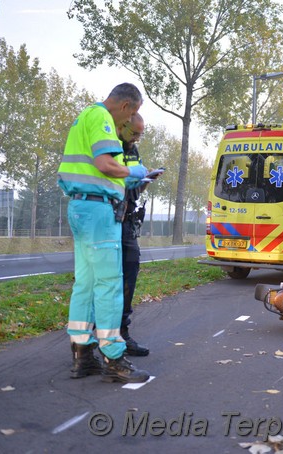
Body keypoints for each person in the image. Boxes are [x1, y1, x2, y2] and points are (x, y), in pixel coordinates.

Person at [57, 83, 150, 384]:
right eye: (133, 113)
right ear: (126, 107)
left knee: (85, 283)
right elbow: (104, 163)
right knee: (109, 284)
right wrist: (134, 172)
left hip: (80, 208)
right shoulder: (102, 118)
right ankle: (114, 358)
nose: (129, 120)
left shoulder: (85, 116)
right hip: (98, 211)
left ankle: (82, 353)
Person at [117, 113, 163, 356]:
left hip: (126, 216)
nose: (136, 138)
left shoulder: (133, 152)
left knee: (130, 269)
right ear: (122, 125)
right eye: (134, 133)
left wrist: (146, 179)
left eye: (140, 135)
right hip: (108, 216)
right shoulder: (111, 146)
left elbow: (134, 189)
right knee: (104, 279)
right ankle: (96, 340)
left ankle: (122, 334)